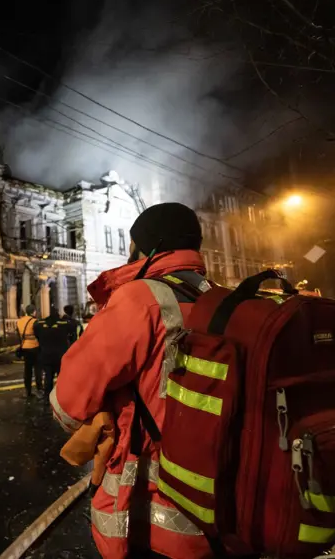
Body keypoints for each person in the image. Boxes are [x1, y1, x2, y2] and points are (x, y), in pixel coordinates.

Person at [51, 202, 215, 559]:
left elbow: (69, 401)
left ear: (148, 247)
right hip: (227, 507)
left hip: (157, 511)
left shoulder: (140, 299)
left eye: (131, 243)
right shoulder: (224, 299)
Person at [34, 311, 70, 397]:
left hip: (46, 355)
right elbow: (73, 327)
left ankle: (47, 397)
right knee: (61, 378)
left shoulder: (40, 325)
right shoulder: (63, 325)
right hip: (60, 356)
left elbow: (36, 333)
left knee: (48, 378)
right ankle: (61, 396)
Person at [17, 305, 41, 398]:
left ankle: (28, 391)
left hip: (24, 347)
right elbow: (39, 334)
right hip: (35, 347)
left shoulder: (20, 321)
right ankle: (39, 389)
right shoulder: (35, 321)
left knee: (27, 370)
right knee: (38, 369)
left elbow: (18, 335)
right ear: (33, 312)